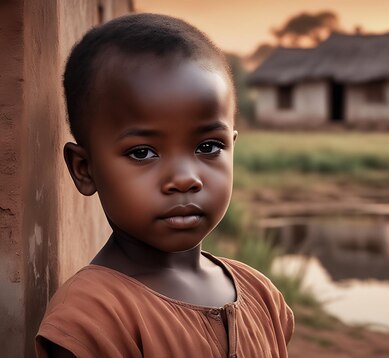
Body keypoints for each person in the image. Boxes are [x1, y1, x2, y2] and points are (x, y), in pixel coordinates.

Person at [35, 13, 294, 357]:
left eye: (208, 147)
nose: (186, 178)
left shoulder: (262, 294)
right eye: (143, 152)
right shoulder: (91, 319)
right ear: (85, 169)